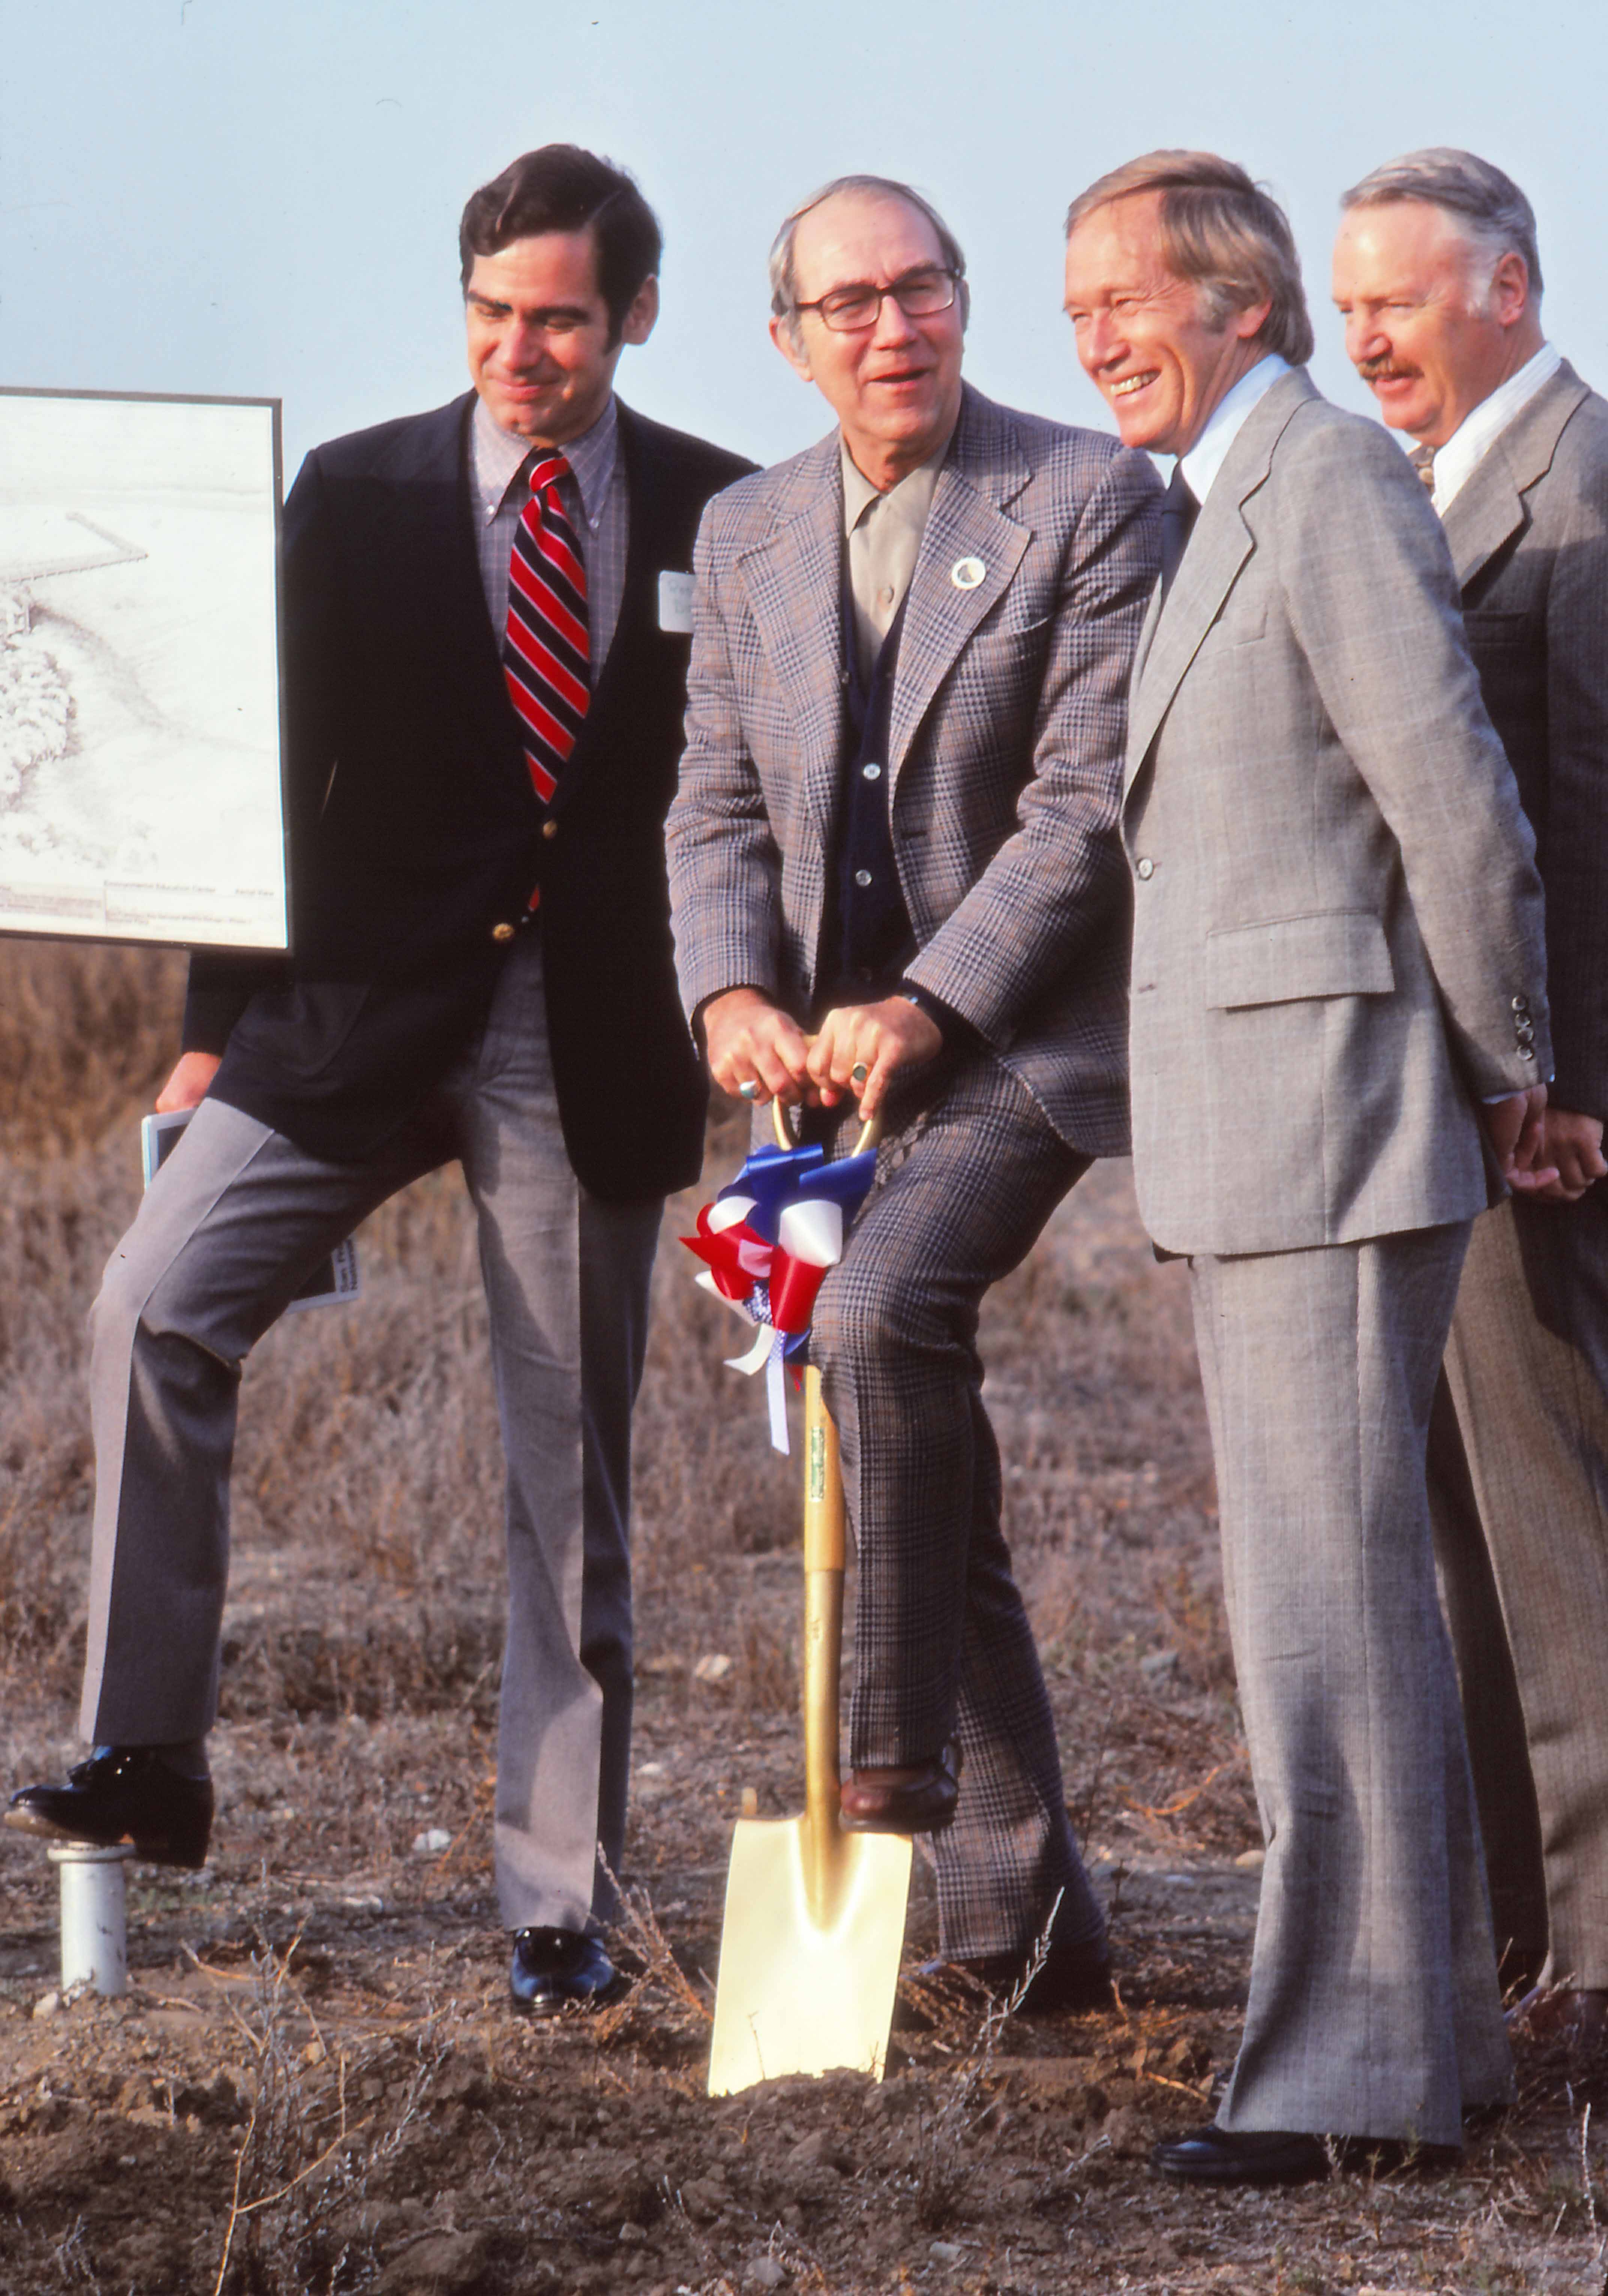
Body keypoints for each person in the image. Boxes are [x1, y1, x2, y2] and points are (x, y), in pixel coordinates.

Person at [5, 144, 752, 2017]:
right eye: (493, 314)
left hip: (581, 1036)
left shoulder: (720, 516)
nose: (522, 350)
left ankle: (557, 1906)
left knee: (561, 1475)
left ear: (633, 316)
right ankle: (147, 1753)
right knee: (153, 1302)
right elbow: (263, 771)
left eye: (561, 318)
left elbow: (753, 798)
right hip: (343, 1015)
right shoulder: (353, 494)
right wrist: (205, 1021)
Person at [1062, 149, 1552, 2179]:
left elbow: (1458, 796)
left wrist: (1511, 1063)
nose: (1092, 338)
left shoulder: (1329, 483)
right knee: (1345, 1602)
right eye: (1074, 307)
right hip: (1268, 1139)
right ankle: (1431, 2043)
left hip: (1339, 1127)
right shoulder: (1211, 508)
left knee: (1325, 1614)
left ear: (1240, 301)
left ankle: (1342, 2080)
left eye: (1122, 300)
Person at [667, 173, 1160, 2004]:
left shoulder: (1087, 499)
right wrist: (729, 991)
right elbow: (713, 801)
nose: (896, 329)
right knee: (900, 1424)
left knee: (880, 1324)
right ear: (790, 342)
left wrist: (930, 1006)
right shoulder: (742, 533)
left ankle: (891, 1778)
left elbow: (1084, 809)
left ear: (966, 301)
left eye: (924, 289)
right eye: (852, 304)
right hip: (818, 1081)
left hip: (1022, 1041)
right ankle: (1028, 1935)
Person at [1335, 149, 1608, 2040]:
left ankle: (1598, 1969)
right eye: (1346, 308)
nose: (1367, 339)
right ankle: (1525, 1939)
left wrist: (1555, 1084)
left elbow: (1584, 820)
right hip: (1434, 1113)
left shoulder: (1578, 490)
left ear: (1507, 290)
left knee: (1555, 1537)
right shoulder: (1422, 491)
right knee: (1469, 1540)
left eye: (1399, 303)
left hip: (1540, 1123)